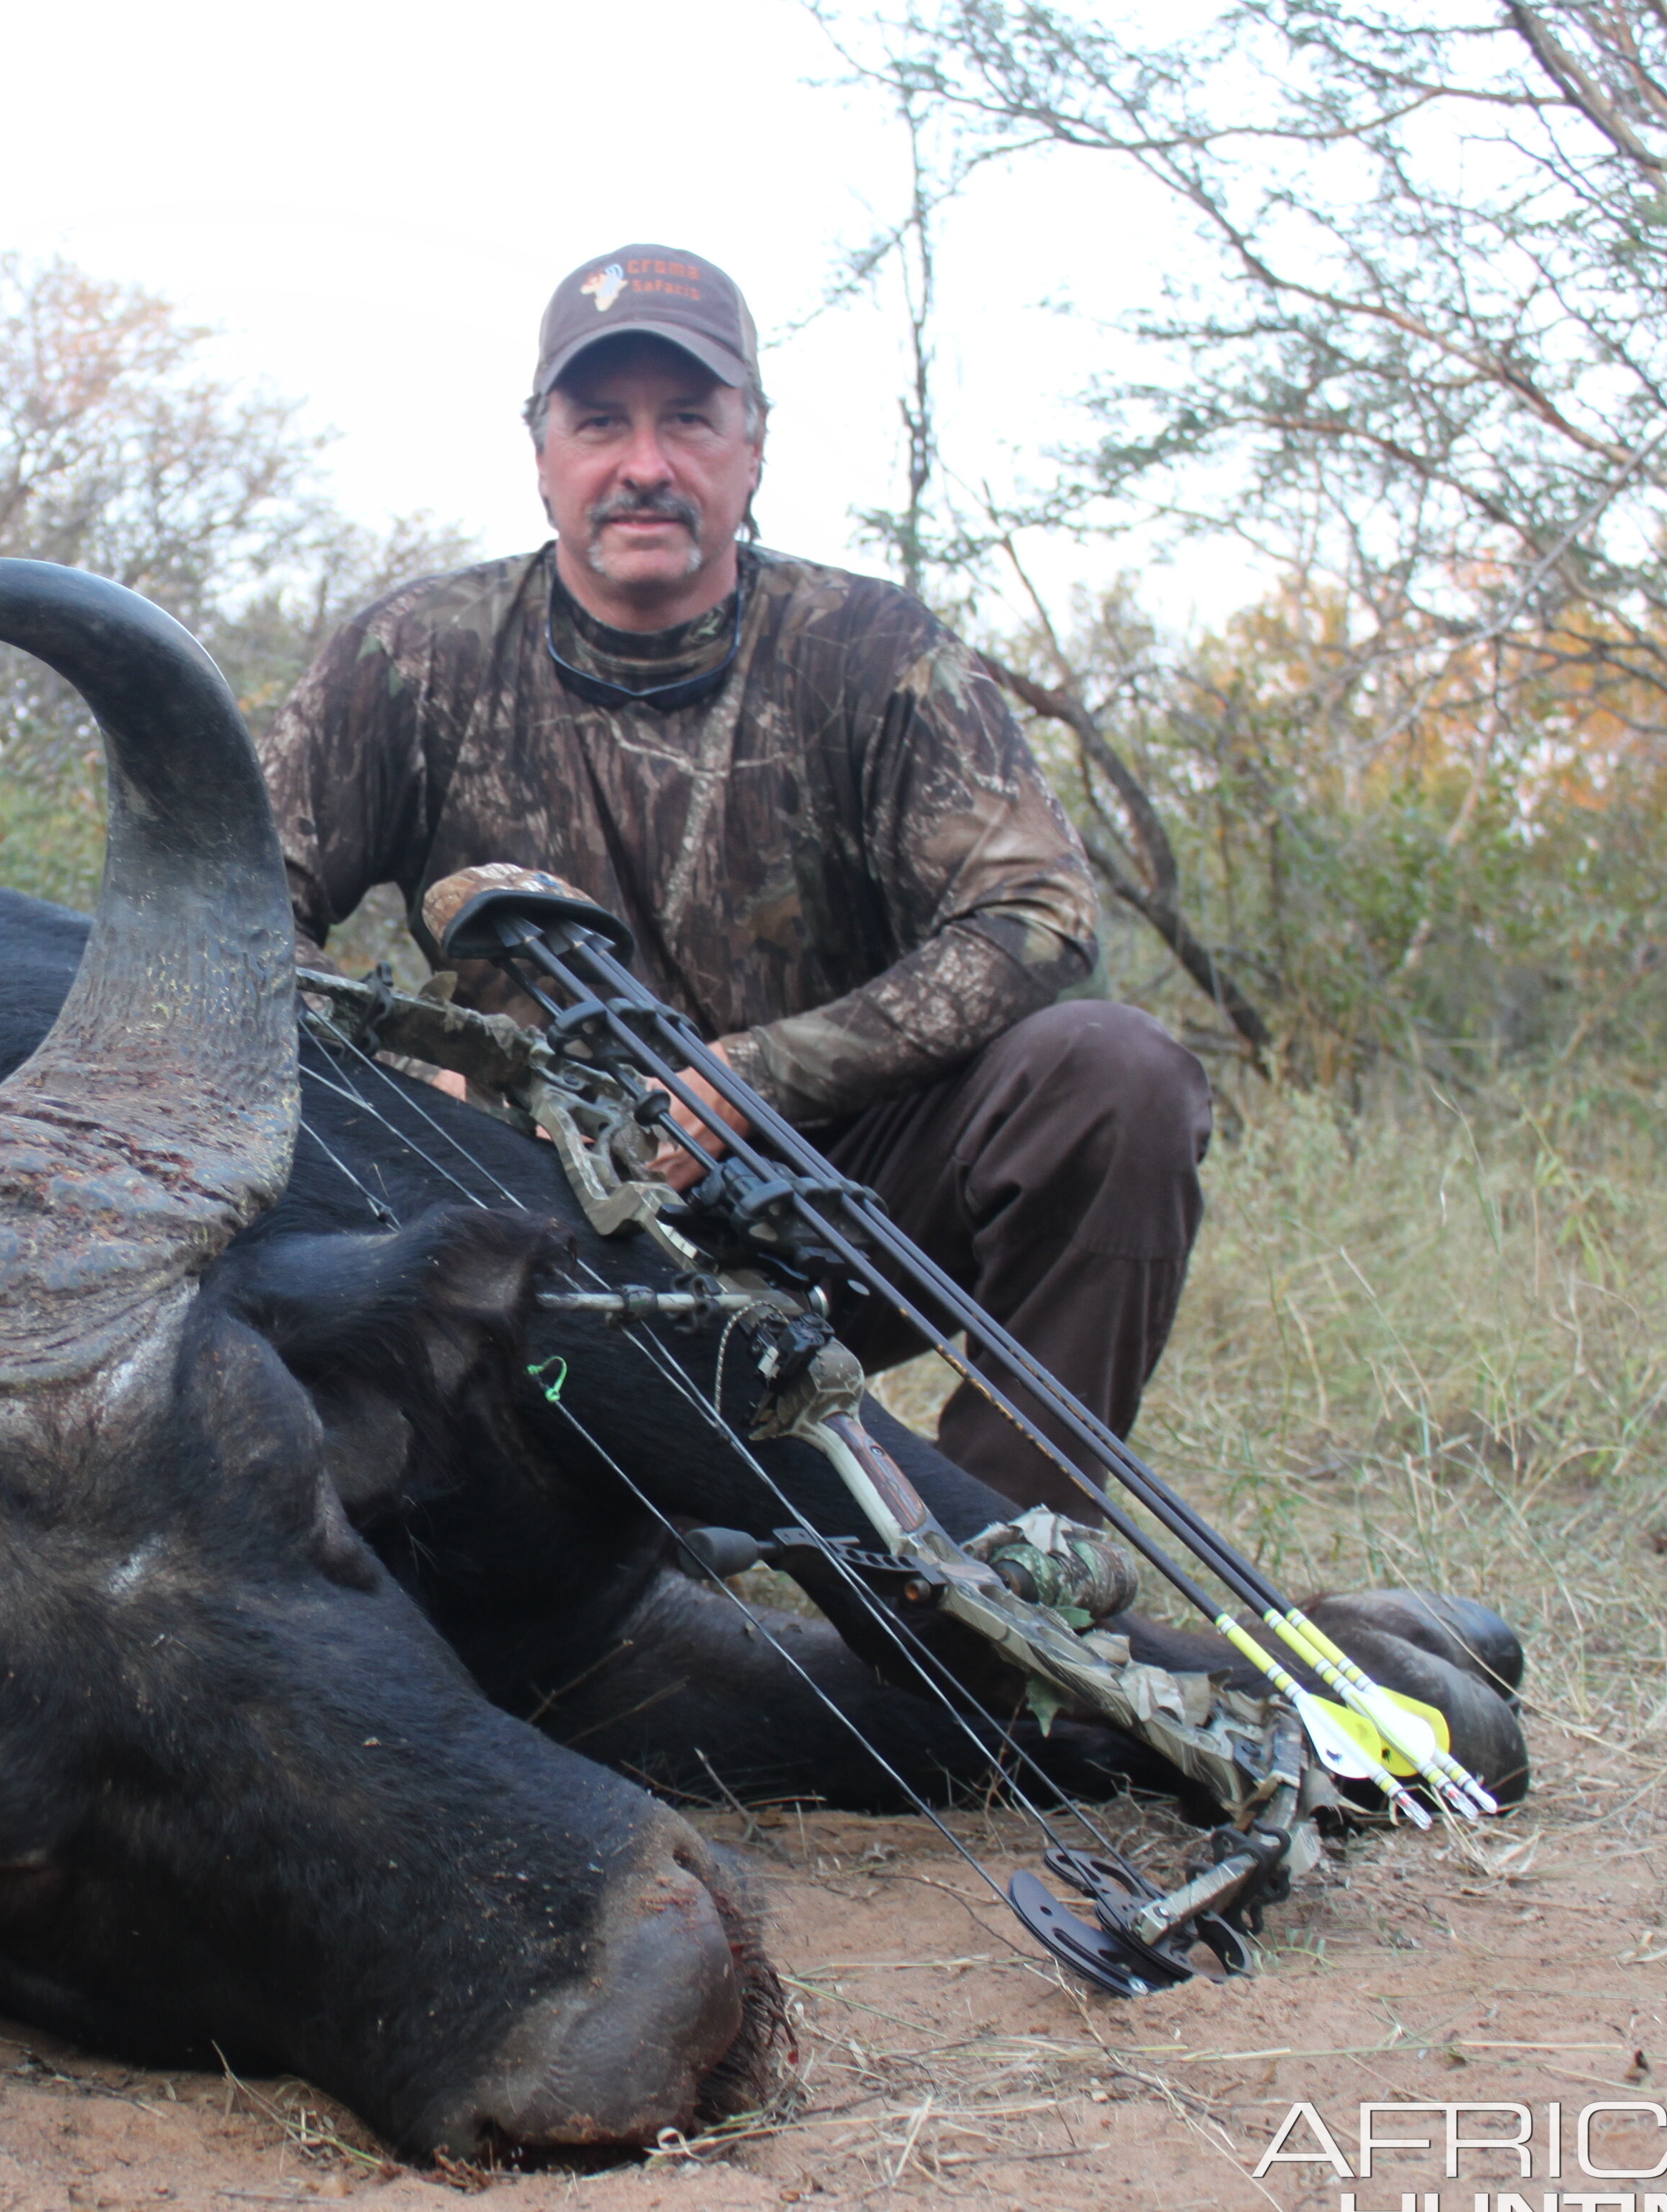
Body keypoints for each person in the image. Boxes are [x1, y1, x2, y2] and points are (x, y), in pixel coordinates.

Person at [256, 242, 1212, 1512]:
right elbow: (232, 912)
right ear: (541, 451)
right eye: (600, 423)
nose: (644, 465)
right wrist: (420, 1068)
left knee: (1119, 1074)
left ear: (754, 446)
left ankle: (1009, 1560)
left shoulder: (872, 651)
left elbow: (1037, 915)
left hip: (823, 1205)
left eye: (690, 422)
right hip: (519, 1212)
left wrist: (757, 1078)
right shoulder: (414, 657)